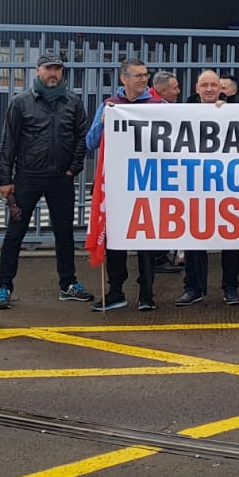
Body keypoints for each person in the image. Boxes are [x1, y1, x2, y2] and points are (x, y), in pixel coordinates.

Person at [0, 51, 89, 311]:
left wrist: (73, 169)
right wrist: (5, 179)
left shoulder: (73, 102)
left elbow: (82, 137)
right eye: (48, 68)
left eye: (57, 68)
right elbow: (8, 142)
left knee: (64, 233)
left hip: (61, 178)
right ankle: (4, 285)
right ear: (38, 71)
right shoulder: (21, 102)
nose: (53, 73)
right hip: (28, 177)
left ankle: (68, 284)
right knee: (15, 232)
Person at [85, 56, 162, 311]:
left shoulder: (157, 105)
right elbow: (90, 142)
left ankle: (147, 291)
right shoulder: (110, 105)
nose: (144, 79)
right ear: (124, 79)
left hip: (147, 182)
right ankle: (115, 290)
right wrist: (103, 124)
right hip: (117, 185)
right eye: (139, 75)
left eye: (146, 75)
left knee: (146, 238)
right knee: (115, 238)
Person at [178, 70, 239, 307]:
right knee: (194, 239)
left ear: (220, 89)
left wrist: (226, 111)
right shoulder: (182, 111)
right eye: (204, 85)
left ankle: (231, 288)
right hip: (195, 185)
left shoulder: (235, 111)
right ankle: (193, 288)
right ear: (197, 88)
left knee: (231, 238)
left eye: (213, 85)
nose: (209, 89)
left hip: (227, 184)